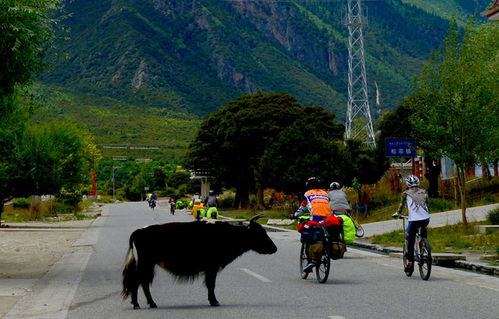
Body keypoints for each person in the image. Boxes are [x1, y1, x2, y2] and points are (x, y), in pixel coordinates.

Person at [393, 175, 430, 273]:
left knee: (410, 239)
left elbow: (401, 207)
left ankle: (410, 262)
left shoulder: (405, 194)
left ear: (408, 185)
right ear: (418, 183)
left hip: (414, 220)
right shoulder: (424, 192)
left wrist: (398, 214)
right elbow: (427, 205)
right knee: (423, 232)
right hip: (426, 219)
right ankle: (424, 247)